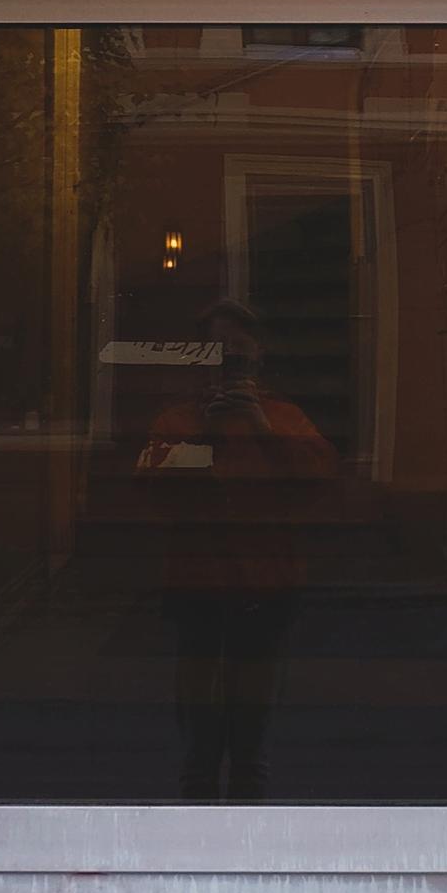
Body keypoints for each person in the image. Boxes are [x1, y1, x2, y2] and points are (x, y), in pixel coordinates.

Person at [137, 300, 338, 802]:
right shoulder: (178, 418)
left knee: (254, 717)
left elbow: (321, 482)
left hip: (266, 581)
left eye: (238, 359)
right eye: (218, 357)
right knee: (197, 721)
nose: (227, 369)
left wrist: (262, 430)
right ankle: (198, 814)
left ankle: (249, 820)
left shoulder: (282, 417)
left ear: (258, 362)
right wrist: (205, 431)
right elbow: (150, 487)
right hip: (197, 581)